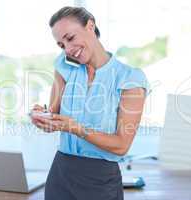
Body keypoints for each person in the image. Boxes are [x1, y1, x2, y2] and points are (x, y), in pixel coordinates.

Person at [30, 6, 149, 200]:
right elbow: (54, 115)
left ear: (90, 26)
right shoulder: (64, 66)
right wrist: (43, 117)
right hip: (60, 173)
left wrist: (76, 128)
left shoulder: (129, 78)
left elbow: (121, 145)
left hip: (100, 180)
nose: (68, 49)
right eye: (61, 45)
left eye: (70, 38)